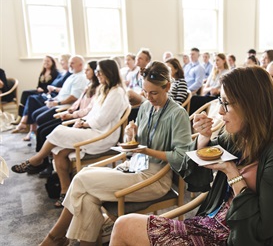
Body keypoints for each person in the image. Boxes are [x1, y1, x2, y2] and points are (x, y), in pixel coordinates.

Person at [110, 66, 273, 245]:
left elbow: (262, 228)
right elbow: (195, 176)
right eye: (220, 102)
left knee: (124, 228)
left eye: (226, 103)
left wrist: (233, 173)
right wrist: (203, 138)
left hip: (232, 237)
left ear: (252, 106)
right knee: (123, 224)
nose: (220, 111)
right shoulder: (237, 138)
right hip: (208, 225)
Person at [37, 61, 191, 245]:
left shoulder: (177, 114)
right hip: (134, 167)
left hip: (156, 178)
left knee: (80, 179)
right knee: (86, 196)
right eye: (145, 92)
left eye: (154, 93)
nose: (148, 97)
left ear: (167, 86)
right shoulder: (145, 108)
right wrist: (131, 135)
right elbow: (136, 146)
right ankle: (85, 242)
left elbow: (182, 158)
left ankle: (55, 237)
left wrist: (146, 150)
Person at [12, 59, 129, 206]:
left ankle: (37, 159)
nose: (97, 74)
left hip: (102, 135)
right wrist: (79, 119)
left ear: (109, 72)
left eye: (99, 71)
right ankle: (65, 192)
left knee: (59, 130)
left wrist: (84, 123)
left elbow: (101, 120)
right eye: (97, 71)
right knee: (58, 151)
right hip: (92, 130)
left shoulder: (117, 93)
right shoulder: (104, 89)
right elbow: (91, 112)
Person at [35, 60, 100, 178]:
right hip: (75, 116)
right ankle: (43, 163)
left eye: (88, 70)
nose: (85, 72)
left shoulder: (98, 89)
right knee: (42, 129)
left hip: (81, 121)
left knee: (45, 131)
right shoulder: (89, 85)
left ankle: (45, 164)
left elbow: (89, 110)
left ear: (95, 72)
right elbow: (78, 102)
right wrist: (70, 111)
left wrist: (73, 115)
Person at [13, 56, 87, 141]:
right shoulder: (73, 76)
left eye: (72, 63)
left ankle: (42, 138)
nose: (69, 65)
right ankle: (37, 136)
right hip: (57, 100)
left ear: (80, 65)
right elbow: (64, 91)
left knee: (39, 117)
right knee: (34, 112)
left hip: (63, 106)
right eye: (69, 63)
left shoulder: (80, 78)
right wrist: (54, 99)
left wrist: (57, 103)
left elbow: (74, 97)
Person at [12, 55, 60, 129]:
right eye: (45, 61)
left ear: (52, 62)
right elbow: (38, 85)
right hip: (40, 90)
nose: (46, 63)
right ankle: (21, 115)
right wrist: (38, 88)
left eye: (48, 61)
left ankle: (24, 119)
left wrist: (43, 90)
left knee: (30, 98)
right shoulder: (43, 72)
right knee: (25, 93)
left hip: (47, 92)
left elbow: (52, 86)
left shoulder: (55, 73)